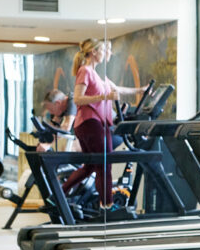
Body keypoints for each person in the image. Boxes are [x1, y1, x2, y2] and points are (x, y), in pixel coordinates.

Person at [60, 38, 145, 209]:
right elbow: (77, 98)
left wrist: (141, 91)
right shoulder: (85, 71)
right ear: (94, 52)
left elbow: (117, 90)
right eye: (104, 49)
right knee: (104, 165)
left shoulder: (98, 75)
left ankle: (59, 193)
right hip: (90, 123)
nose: (108, 53)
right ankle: (107, 206)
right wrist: (104, 97)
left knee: (92, 165)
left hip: (98, 123)